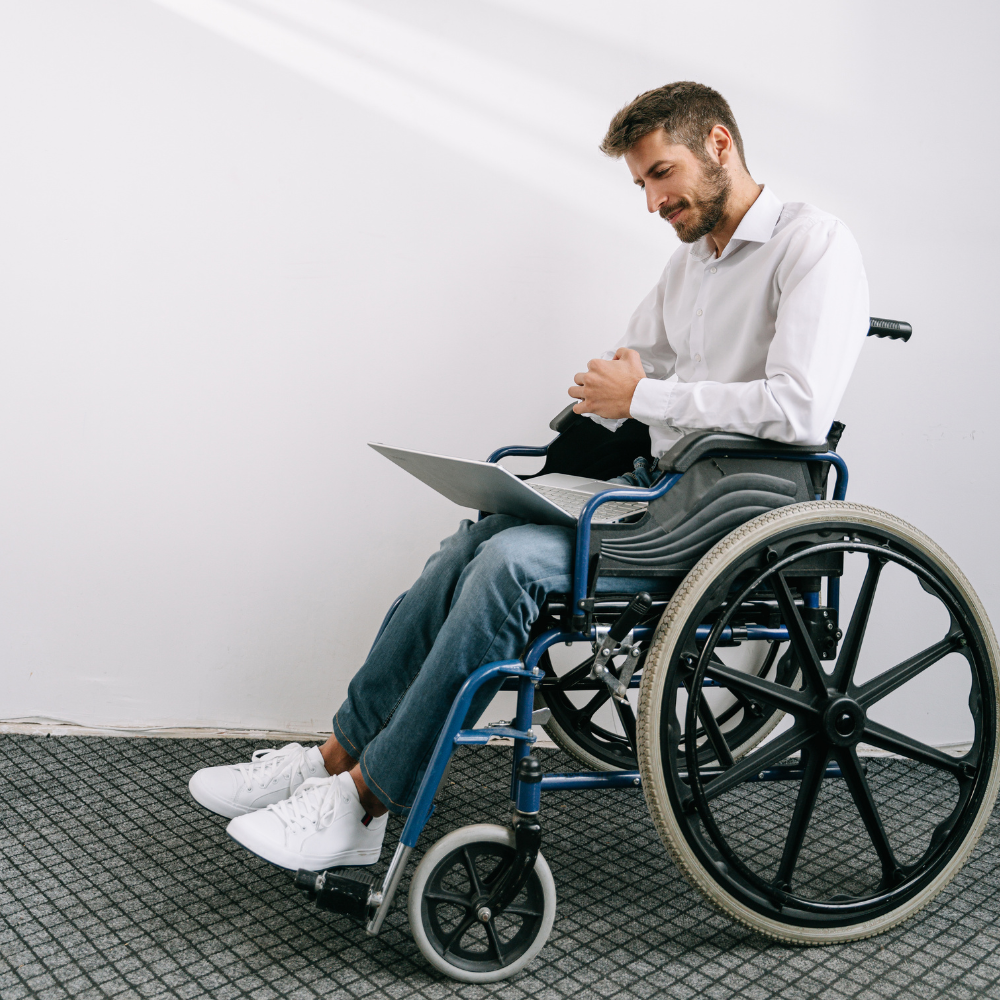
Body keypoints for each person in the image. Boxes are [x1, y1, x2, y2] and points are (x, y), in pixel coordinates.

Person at [188, 81, 869, 872]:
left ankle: (367, 803)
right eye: (642, 183)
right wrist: (597, 410)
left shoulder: (812, 244)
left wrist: (644, 393)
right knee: (474, 539)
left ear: (720, 144)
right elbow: (635, 366)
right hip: (660, 485)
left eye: (661, 174)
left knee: (512, 567)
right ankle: (337, 757)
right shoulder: (690, 268)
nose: (652, 201)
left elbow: (800, 408)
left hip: (735, 505)